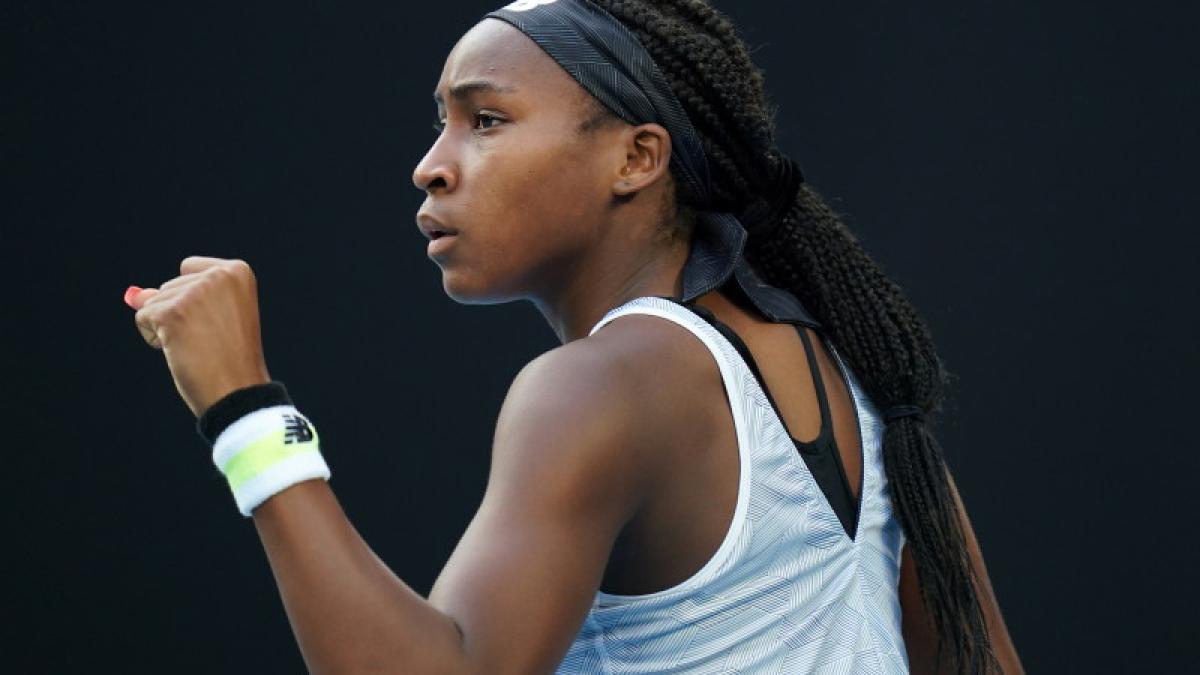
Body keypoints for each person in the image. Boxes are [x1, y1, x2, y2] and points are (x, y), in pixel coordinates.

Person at [124, 1, 1023, 672]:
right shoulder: (861, 380)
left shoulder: (602, 385)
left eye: (486, 119)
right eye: (440, 120)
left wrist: (246, 411)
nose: (431, 164)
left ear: (636, 158)